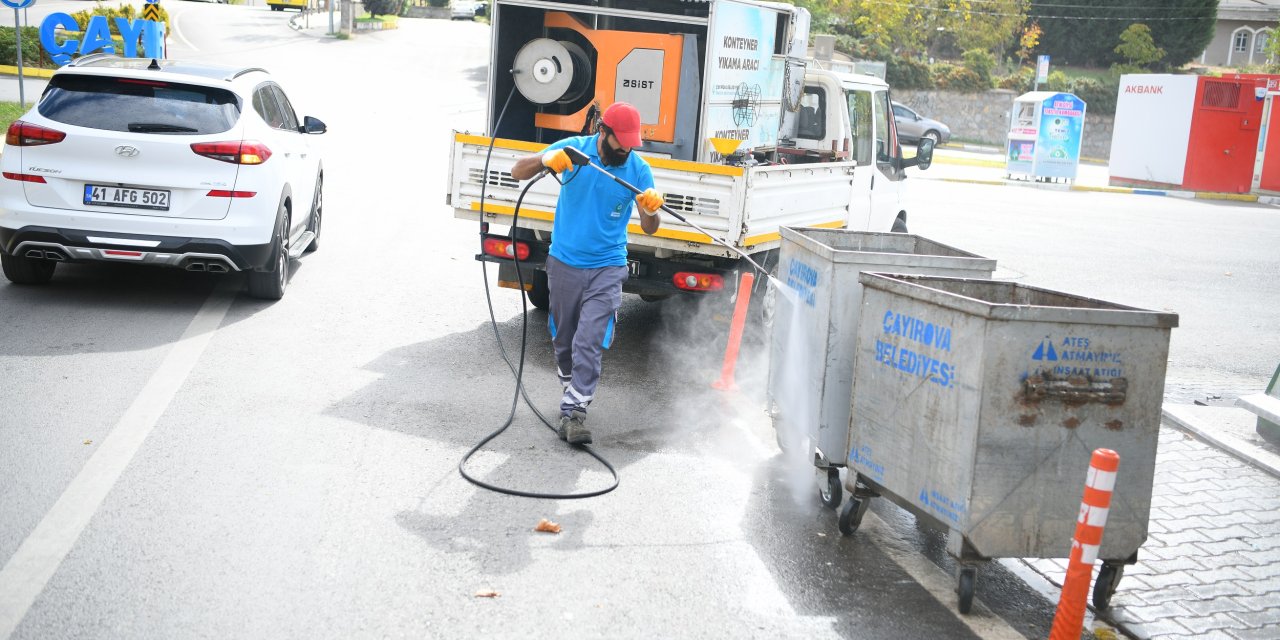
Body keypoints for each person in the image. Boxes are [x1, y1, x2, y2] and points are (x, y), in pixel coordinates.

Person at [510, 102, 664, 445]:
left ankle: (575, 412)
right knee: (564, 338)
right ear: (602, 131)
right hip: (564, 261)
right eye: (619, 141)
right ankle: (571, 386)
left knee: (589, 338)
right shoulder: (573, 151)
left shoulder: (638, 170)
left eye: (630, 143)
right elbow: (517, 171)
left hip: (608, 265)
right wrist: (545, 160)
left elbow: (650, 227)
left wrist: (652, 210)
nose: (625, 149)